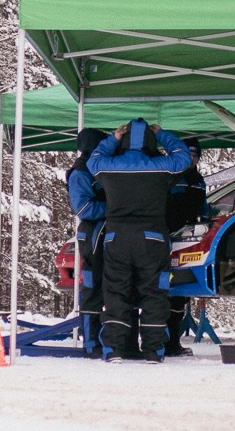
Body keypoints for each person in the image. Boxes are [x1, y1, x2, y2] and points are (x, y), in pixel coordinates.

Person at [87, 119, 195, 361]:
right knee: (154, 292)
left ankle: (113, 349)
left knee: (116, 292)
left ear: (125, 141)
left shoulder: (108, 167)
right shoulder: (161, 166)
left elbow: (93, 159)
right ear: (149, 141)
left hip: (116, 238)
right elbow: (184, 156)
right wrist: (163, 134)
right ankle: (153, 351)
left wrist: (112, 138)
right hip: (152, 238)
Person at [67, 127, 110, 355]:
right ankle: (91, 343)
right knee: (92, 288)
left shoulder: (97, 169)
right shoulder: (80, 172)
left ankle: (106, 339)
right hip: (92, 233)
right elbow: (83, 207)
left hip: (105, 231)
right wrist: (113, 207)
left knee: (110, 286)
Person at [161, 160, 209, 355]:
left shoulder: (199, 180)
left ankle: (173, 343)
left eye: (195, 155)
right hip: (168, 236)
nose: (191, 159)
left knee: (181, 294)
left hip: (191, 239)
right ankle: (162, 342)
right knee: (167, 289)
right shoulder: (171, 175)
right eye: (187, 154)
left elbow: (203, 207)